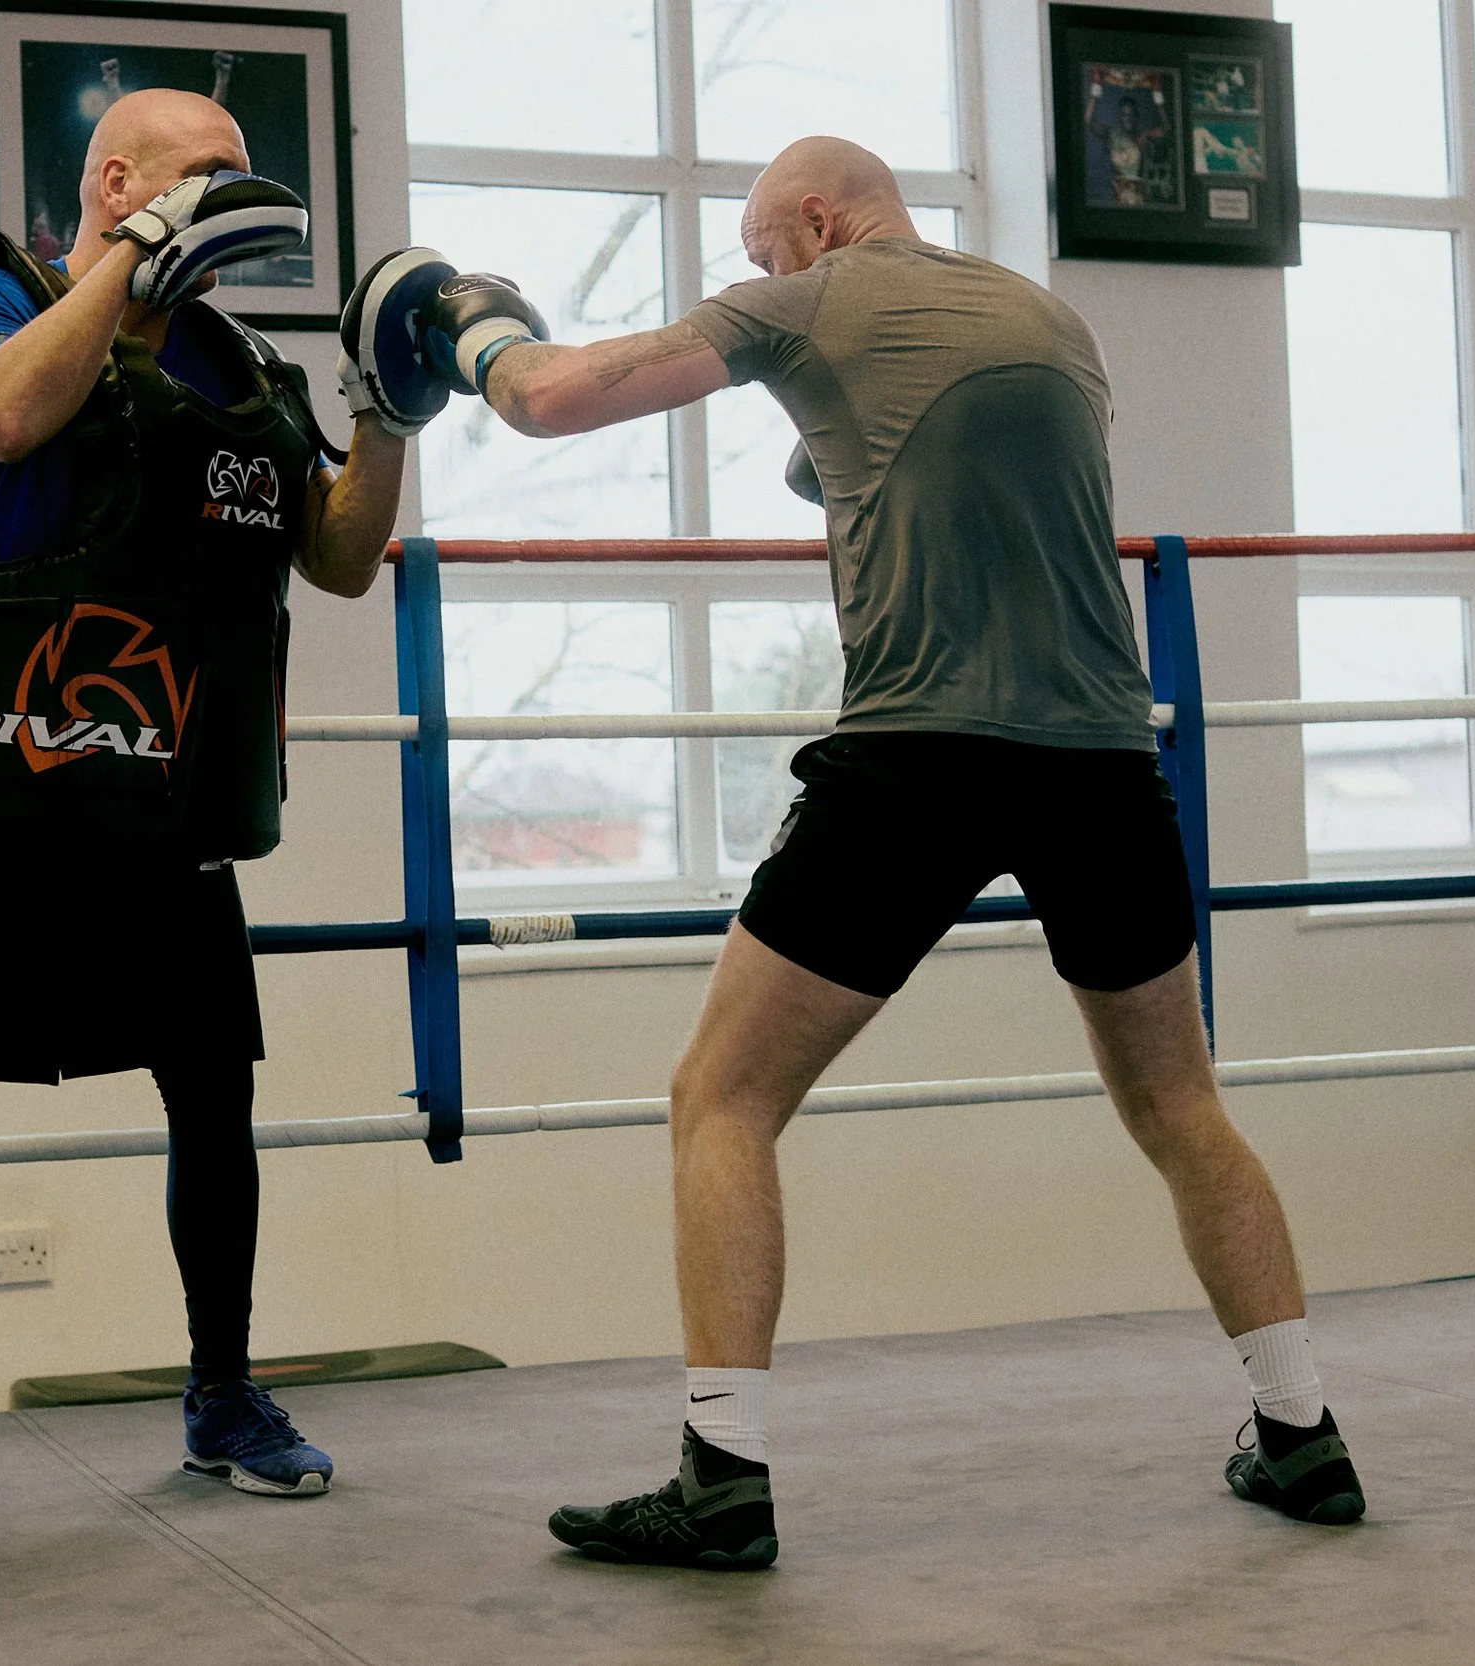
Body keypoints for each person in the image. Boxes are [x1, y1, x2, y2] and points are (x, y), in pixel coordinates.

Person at [401, 135, 1368, 1569]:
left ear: (814, 218)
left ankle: (722, 1475)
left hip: (919, 757)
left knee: (720, 1094)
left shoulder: (822, 296)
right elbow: (873, 459)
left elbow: (551, 401)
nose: (756, 278)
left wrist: (461, 319)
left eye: (758, 250)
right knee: (1180, 1101)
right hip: (1104, 762)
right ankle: (1305, 1436)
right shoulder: (1053, 322)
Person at [0, 88, 410, 1531]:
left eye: (243, 178)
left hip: (166, 805)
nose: (233, 197)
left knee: (215, 1100)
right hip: (3, 786)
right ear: (118, 180)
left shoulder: (238, 360)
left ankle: (222, 1390)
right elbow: (2, 414)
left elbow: (335, 554)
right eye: (206, 176)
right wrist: (120, 274)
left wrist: (389, 409)